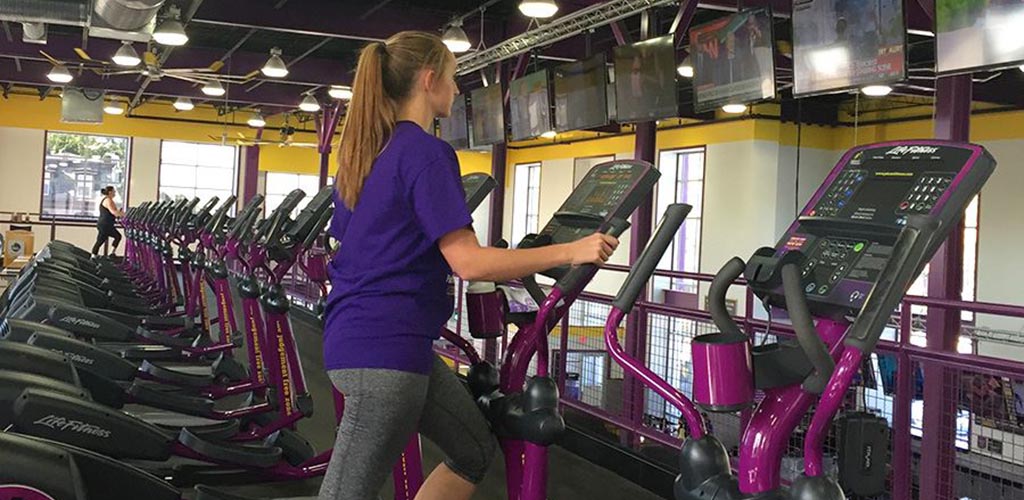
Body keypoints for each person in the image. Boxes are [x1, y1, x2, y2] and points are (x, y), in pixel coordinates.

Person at [321, 31, 619, 500]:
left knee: (474, 450)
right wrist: (571, 250)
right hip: (383, 352)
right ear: (427, 79)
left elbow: (359, 241)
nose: (457, 92)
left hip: (384, 342)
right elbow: (468, 262)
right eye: (454, 80)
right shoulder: (426, 152)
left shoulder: (367, 154)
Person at [92, 185, 124, 256]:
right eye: (114, 191)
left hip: (107, 224)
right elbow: (113, 212)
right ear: (110, 192)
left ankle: (111, 253)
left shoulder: (109, 200)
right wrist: (123, 214)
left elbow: (114, 212)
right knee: (100, 241)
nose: (115, 192)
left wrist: (120, 213)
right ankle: (93, 256)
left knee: (117, 236)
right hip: (105, 225)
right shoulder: (108, 200)